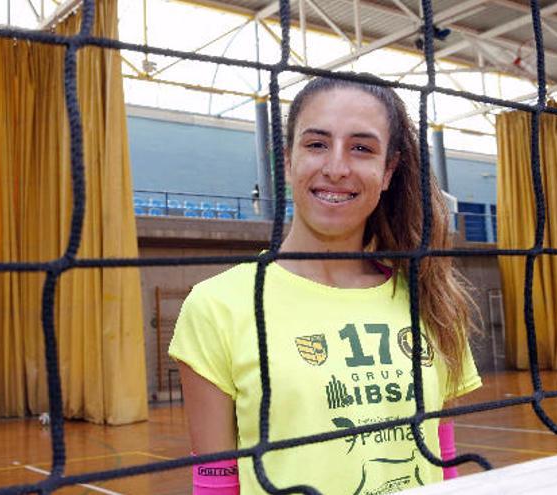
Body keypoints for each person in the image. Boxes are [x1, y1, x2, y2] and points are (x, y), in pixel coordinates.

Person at [168, 75, 482, 495]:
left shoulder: (431, 300)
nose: (336, 168)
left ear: (388, 170)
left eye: (362, 148)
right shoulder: (218, 305)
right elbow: (215, 484)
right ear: (288, 160)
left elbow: (442, 461)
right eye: (316, 144)